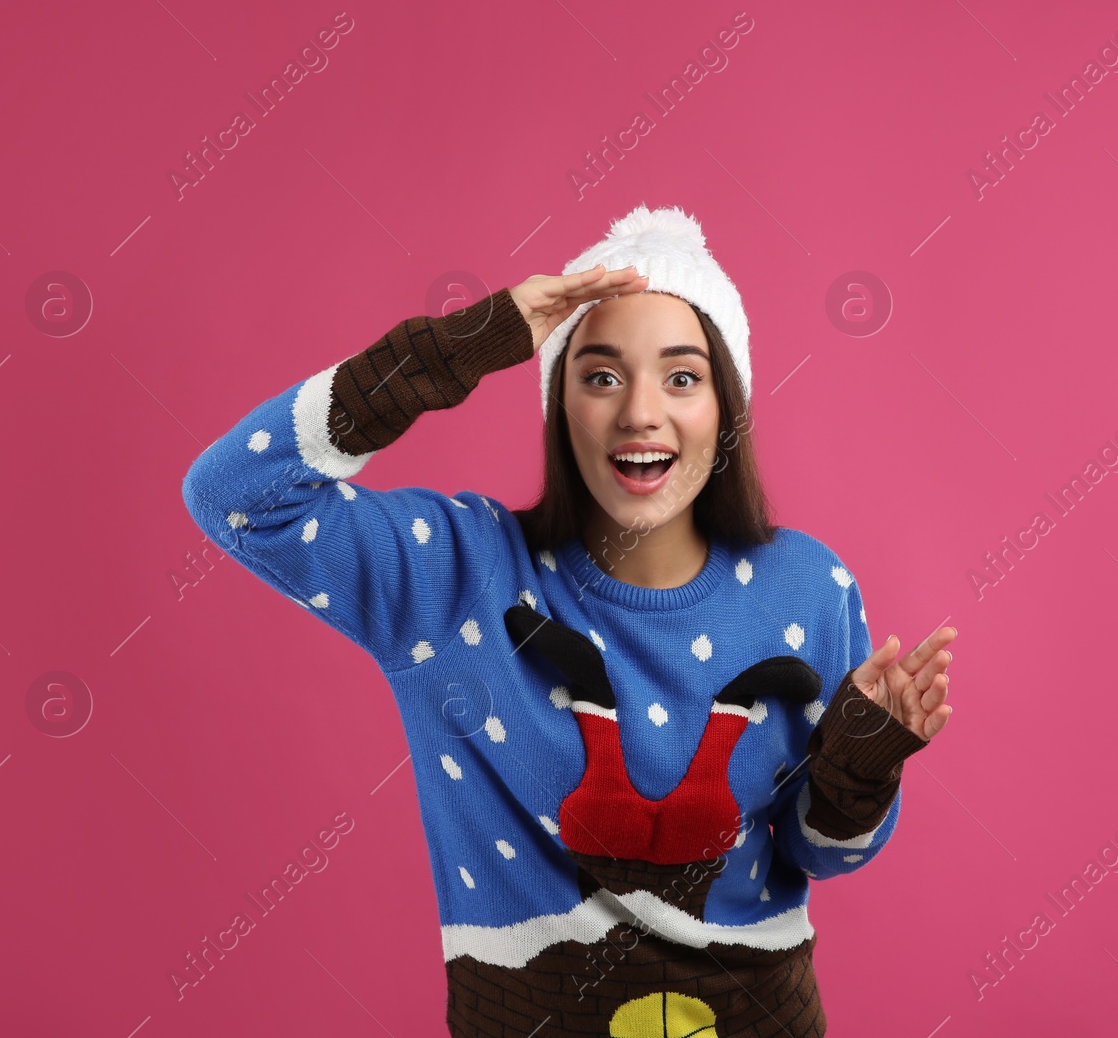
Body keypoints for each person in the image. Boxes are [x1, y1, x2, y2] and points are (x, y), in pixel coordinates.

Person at [181, 204, 957, 1037]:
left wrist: (864, 766)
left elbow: (818, 853)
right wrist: (460, 349)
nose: (640, 414)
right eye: (601, 375)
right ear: (559, 402)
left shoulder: (807, 586)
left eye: (683, 376)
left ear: (726, 405)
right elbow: (235, 495)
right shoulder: (455, 573)